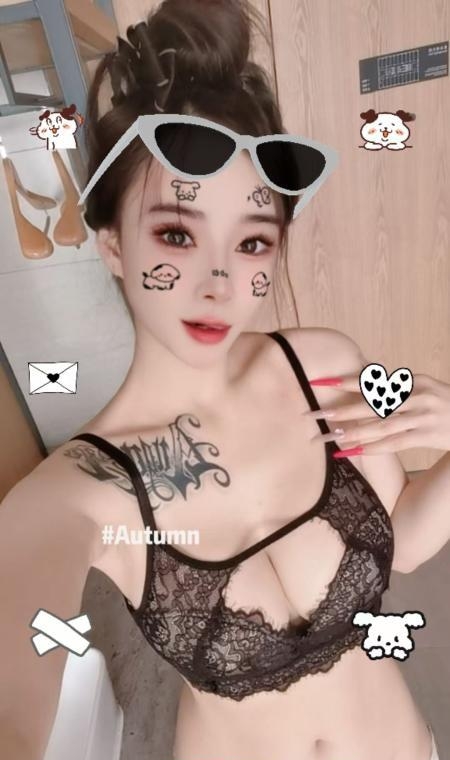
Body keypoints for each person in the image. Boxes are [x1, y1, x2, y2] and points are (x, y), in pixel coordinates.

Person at [1, 1, 449, 759]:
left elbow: (400, 540)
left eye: (251, 242)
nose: (219, 282)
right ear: (112, 245)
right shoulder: (79, 491)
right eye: (177, 233)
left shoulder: (324, 368)